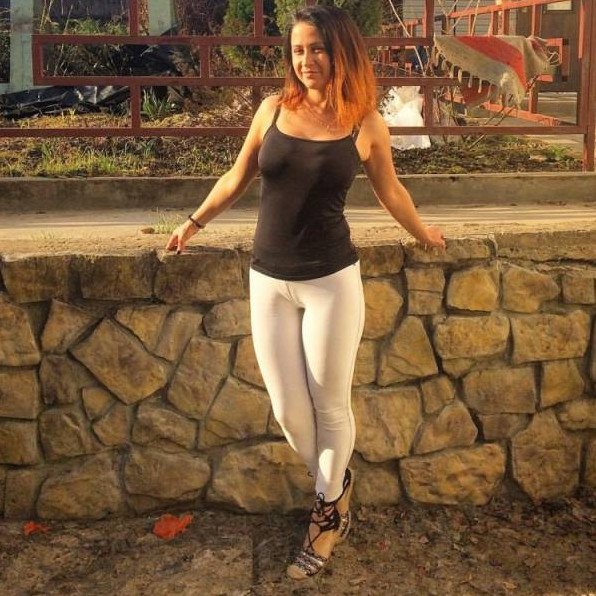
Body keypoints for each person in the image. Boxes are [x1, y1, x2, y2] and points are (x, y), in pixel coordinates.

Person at [165, 4, 445, 580]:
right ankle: (336, 489)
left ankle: (323, 522)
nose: (306, 59)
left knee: (330, 405)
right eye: (297, 50)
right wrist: (192, 224)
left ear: (341, 52)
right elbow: (237, 176)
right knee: (290, 412)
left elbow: (391, 191)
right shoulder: (272, 110)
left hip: (330, 284)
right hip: (268, 279)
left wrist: (423, 232)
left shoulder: (364, 123)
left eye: (317, 48)